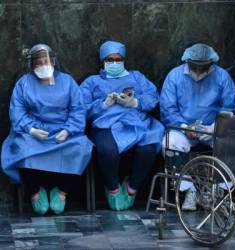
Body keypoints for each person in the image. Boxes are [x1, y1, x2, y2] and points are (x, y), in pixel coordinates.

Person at [1, 44, 93, 215]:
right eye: (39, 62)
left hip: (63, 131)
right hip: (35, 132)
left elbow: (78, 109)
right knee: (22, 147)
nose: (44, 65)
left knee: (80, 147)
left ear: (53, 61)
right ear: (32, 65)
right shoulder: (24, 84)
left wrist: (69, 130)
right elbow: (17, 110)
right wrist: (31, 130)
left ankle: (62, 192)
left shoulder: (67, 82)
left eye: (46, 61)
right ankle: (35, 192)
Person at [80, 40, 164, 211]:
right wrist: (103, 105)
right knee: (107, 150)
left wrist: (135, 102)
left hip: (137, 122)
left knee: (148, 149)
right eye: (110, 60)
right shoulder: (92, 82)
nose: (114, 63)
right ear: (103, 61)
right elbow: (80, 109)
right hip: (106, 126)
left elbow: (152, 97)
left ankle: (132, 188)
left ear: (123, 60)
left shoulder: (137, 77)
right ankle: (113, 188)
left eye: (118, 59)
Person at [160, 43, 235, 211]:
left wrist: (214, 128)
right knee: (170, 144)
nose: (198, 72)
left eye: (203, 68)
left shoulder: (222, 77)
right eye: (195, 67)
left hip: (212, 130)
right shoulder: (174, 77)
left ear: (211, 64)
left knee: (233, 146)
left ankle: (217, 191)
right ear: (188, 62)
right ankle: (189, 191)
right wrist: (184, 126)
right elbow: (168, 109)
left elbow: (229, 108)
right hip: (182, 129)